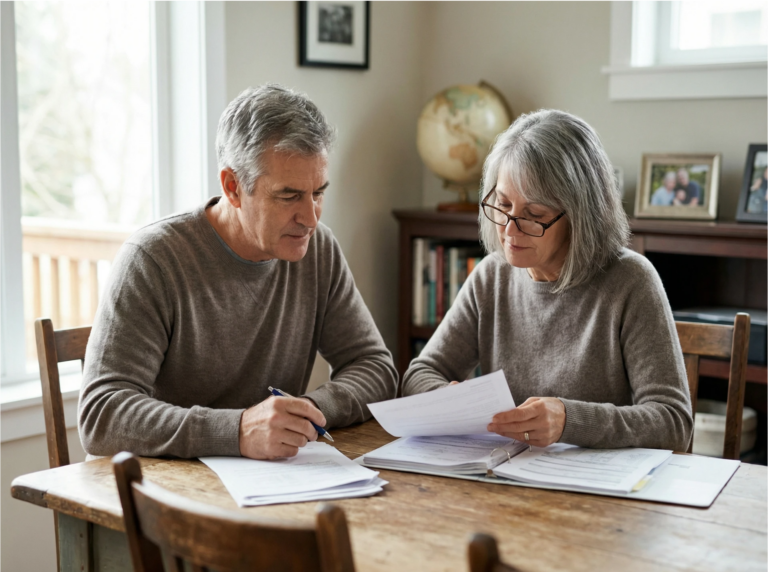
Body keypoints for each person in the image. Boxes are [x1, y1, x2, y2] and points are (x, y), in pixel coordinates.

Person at [79, 84, 398, 461]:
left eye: (318, 193)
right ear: (233, 187)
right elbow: (102, 414)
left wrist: (304, 413)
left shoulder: (319, 250)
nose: (311, 217)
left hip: (271, 484)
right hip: (163, 492)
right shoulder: (153, 259)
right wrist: (238, 431)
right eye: (289, 195)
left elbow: (375, 368)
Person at [403, 109, 692, 452]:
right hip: (510, 481)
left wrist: (569, 421)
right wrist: (447, 399)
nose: (509, 230)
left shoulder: (631, 281)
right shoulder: (492, 276)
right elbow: (420, 373)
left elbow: (673, 422)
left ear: (581, 215)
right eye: (503, 204)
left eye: (534, 215)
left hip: (600, 492)